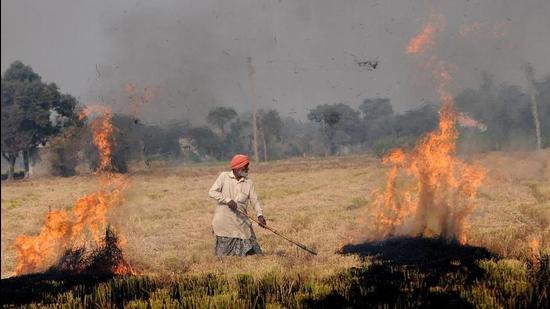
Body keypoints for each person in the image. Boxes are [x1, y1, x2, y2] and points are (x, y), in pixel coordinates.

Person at [208, 154, 267, 256]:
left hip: (241, 221)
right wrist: (227, 200)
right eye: (245, 166)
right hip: (225, 221)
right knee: (224, 257)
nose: (247, 169)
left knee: (254, 254)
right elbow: (212, 192)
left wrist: (260, 215)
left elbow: (254, 200)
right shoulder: (224, 177)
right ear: (236, 168)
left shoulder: (249, 183)